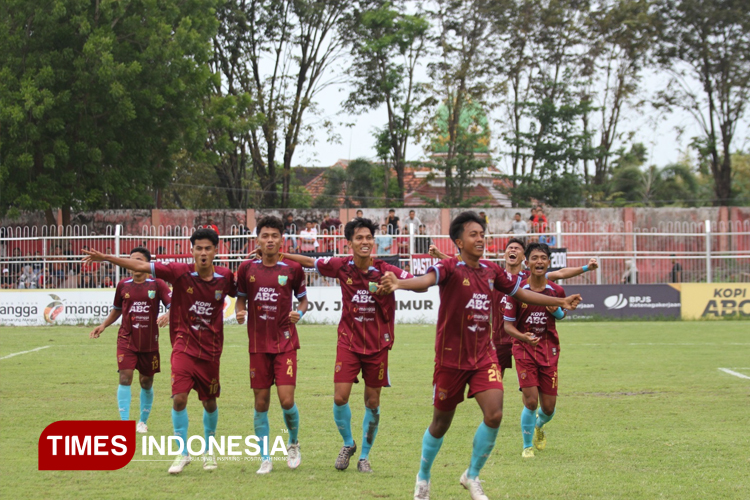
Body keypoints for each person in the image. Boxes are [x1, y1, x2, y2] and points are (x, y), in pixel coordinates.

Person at [379, 211, 581, 500]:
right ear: (458, 241)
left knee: (495, 413)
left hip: (483, 356)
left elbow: (522, 294)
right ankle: (423, 478)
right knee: (440, 423)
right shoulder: (449, 268)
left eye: (483, 234)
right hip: (450, 359)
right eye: (474, 234)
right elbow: (424, 281)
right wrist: (399, 284)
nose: (480, 239)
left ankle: (471, 476)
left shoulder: (491, 271)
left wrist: (560, 300)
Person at [83, 228, 237, 474]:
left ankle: (209, 450)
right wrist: (108, 258)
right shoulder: (179, 272)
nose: (203, 253)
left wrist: (241, 307)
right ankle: (182, 452)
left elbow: (244, 292)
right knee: (178, 399)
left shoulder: (226, 276)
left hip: (211, 351)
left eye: (208, 248)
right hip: (182, 347)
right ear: (192, 250)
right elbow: (141, 266)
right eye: (199, 248)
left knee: (209, 403)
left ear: (216, 251)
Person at [279, 217, 416, 473]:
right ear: (350, 242)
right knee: (340, 397)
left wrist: (398, 283)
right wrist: (280, 252)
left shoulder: (386, 270)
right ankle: (348, 444)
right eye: (359, 238)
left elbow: (418, 284)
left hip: (378, 346)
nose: (365, 242)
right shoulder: (341, 266)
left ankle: (364, 456)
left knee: (372, 402)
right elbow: (311, 262)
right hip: (349, 343)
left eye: (368, 238)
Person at [431, 238, 597, 379]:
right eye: (510, 248)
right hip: (500, 338)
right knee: (494, 380)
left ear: (524, 257)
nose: (513, 250)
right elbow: (464, 267)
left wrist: (586, 268)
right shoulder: (494, 277)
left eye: (517, 248)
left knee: (531, 383)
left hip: (526, 337)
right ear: (505, 254)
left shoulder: (530, 277)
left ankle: (534, 406)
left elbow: (560, 273)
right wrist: (439, 255)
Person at [235, 216, 309, 474]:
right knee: (261, 403)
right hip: (257, 345)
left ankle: (293, 442)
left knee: (286, 401)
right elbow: (240, 299)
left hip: (285, 342)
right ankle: (265, 457)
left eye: (274, 236)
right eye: (265, 236)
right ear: (258, 239)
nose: (269, 240)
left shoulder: (292, 269)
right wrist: (240, 311)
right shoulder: (246, 269)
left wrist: (299, 313)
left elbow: (303, 301)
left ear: (281, 240)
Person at [88, 247, 171, 433]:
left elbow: (173, 304)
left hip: (149, 342)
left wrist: (168, 314)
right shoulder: (123, 285)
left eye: (138, 259)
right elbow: (117, 309)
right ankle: (124, 423)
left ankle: (142, 421)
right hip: (126, 339)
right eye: (131, 259)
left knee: (146, 382)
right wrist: (103, 326)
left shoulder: (157, 284)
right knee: (125, 377)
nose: (133, 263)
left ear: (147, 264)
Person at [503, 243, 567, 459]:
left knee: (548, 408)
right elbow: (508, 326)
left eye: (543, 258)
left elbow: (562, 316)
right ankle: (527, 445)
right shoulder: (517, 290)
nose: (539, 261)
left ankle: (539, 425)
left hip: (549, 351)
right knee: (531, 401)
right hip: (523, 349)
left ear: (549, 262)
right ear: (527, 262)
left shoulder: (556, 291)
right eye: (534, 258)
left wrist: (556, 310)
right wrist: (522, 337)